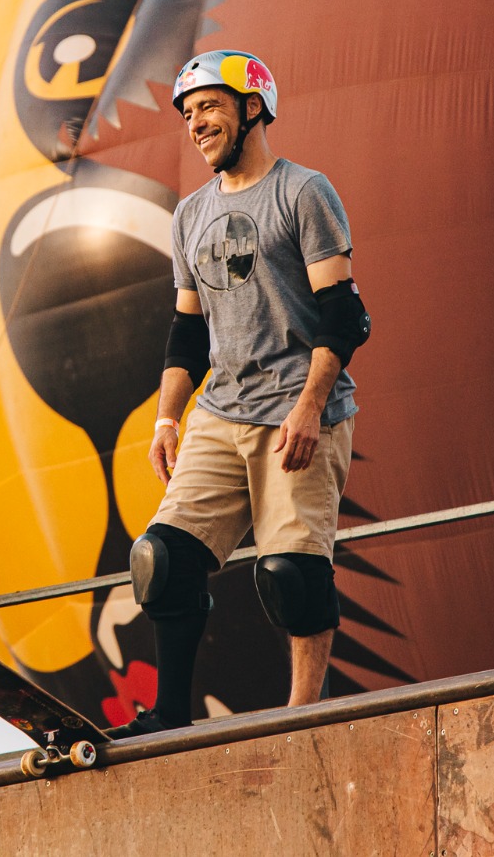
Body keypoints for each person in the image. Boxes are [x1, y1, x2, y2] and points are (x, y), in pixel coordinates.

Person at [107, 49, 369, 739]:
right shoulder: (189, 216)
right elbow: (187, 332)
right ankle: (168, 715)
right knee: (162, 561)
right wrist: (168, 417)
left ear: (253, 107)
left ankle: (302, 720)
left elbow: (344, 315)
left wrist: (311, 405)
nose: (197, 124)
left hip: (297, 411)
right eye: (189, 114)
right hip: (218, 414)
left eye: (211, 108)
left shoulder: (303, 192)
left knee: (291, 575)